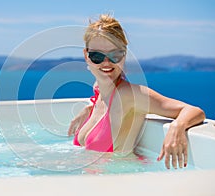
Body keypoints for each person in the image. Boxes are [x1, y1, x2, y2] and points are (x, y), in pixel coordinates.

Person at [67, 14, 205, 169]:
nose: (106, 63)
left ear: (124, 55)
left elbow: (194, 111)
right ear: (86, 56)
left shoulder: (130, 96)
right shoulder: (99, 90)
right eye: (97, 56)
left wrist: (177, 127)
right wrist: (90, 109)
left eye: (115, 55)